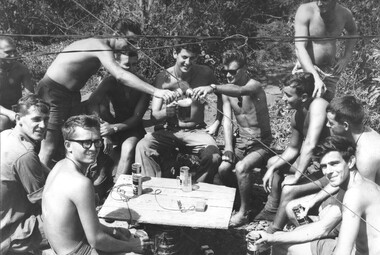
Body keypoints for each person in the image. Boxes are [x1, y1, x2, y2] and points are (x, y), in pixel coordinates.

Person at [36, 18, 177, 168]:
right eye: (129, 41)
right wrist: (157, 91)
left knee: (73, 140)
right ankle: (37, 189)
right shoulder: (99, 46)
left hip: (72, 95)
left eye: (134, 43)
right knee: (49, 147)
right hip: (54, 92)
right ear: (116, 34)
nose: (131, 46)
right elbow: (120, 75)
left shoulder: (104, 48)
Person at [42, 115, 151, 255]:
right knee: (144, 249)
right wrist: (132, 247)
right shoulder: (80, 184)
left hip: (65, 246)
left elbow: (79, 223)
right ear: (68, 145)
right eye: (86, 143)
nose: (94, 148)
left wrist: (114, 231)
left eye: (97, 141)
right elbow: (97, 240)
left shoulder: (60, 166)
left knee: (125, 234)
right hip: (78, 251)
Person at [192, 50, 272, 226]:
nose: (228, 75)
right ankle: (241, 197)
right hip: (241, 141)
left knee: (242, 167)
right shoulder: (226, 92)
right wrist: (228, 147)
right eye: (225, 71)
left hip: (261, 143)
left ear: (244, 69)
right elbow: (227, 121)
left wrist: (212, 87)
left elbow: (241, 90)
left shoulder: (254, 86)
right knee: (222, 169)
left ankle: (244, 212)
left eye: (233, 71)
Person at [251, 136, 366, 255]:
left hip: (355, 251)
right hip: (348, 244)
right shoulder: (351, 184)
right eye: (324, 166)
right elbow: (323, 227)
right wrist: (272, 238)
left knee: (281, 245)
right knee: (281, 235)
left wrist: (273, 239)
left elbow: (342, 249)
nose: (328, 171)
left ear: (351, 161)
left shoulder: (356, 193)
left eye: (334, 163)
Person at [135, 43, 221, 183]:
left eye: (192, 58)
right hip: (170, 131)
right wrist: (169, 111)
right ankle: (153, 186)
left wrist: (217, 122)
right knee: (143, 146)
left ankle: (195, 186)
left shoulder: (206, 73)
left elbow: (222, 95)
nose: (188, 62)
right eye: (184, 57)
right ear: (175, 54)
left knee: (214, 156)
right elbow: (155, 116)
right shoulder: (163, 77)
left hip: (197, 131)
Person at [256, 73, 330, 234]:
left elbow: (310, 143)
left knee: (289, 189)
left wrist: (297, 176)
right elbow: (293, 149)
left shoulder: (318, 105)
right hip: (315, 165)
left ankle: (273, 232)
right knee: (273, 163)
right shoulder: (297, 116)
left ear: (304, 96)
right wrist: (271, 169)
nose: (283, 98)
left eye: (287, 95)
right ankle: (272, 209)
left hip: (331, 169)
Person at [298, 95, 380, 216]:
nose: (327, 125)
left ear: (345, 125)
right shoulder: (358, 133)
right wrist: (313, 200)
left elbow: (365, 199)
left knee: (319, 212)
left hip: (369, 208)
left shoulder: (366, 157)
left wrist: (329, 213)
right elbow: (345, 179)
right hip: (356, 193)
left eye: (331, 122)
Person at [88, 50, 149, 182]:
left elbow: (136, 118)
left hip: (131, 128)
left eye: (135, 64)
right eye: (127, 65)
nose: (132, 69)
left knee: (127, 148)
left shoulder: (143, 84)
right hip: (112, 123)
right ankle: (103, 175)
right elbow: (93, 102)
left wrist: (114, 128)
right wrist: (104, 129)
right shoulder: (110, 81)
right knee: (100, 139)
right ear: (116, 64)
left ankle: (117, 187)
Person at [0, 94, 50, 254]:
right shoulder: (25, 153)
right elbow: (43, 202)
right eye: (36, 119)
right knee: (74, 216)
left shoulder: (5, 135)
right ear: (18, 118)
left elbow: (41, 166)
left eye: (46, 119)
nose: (43, 125)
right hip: (11, 234)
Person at [293, 0, 357, 100]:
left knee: (325, 107)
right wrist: (314, 76)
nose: (319, 4)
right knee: (305, 107)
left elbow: (353, 31)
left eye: (324, 0)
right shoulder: (305, 11)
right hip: (307, 69)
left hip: (330, 71)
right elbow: (299, 47)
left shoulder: (344, 13)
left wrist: (346, 57)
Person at [0, 36, 34, 131]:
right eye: (8, 52)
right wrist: (9, 113)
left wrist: (28, 109)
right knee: (3, 122)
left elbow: (30, 96)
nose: (13, 55)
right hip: (3, 112)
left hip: (17, 109)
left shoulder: (21, 69)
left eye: (14, 51)